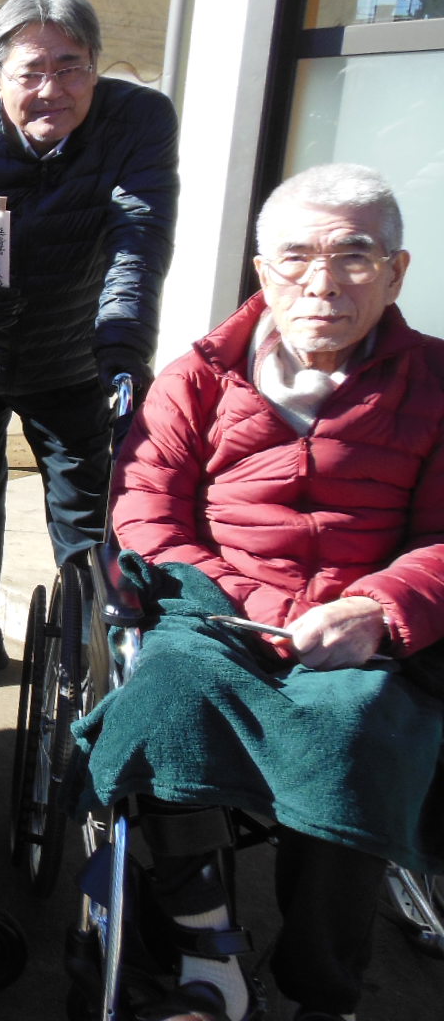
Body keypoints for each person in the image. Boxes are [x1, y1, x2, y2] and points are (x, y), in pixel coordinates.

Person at [75, 164, 444, 1021]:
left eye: (354, 255)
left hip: (364, 631)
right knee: (165, 698)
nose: (322, 282)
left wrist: (376, 610)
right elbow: (144, 509)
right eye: (296, 257)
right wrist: (249, 603)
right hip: (215, 613)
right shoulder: (198, 376)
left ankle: (325, 991)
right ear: (263, 271)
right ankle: (209, 954)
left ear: (396, 272)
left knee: (357, 731)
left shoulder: (435, 382)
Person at [0, 0, 178, 669]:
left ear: (97, 66)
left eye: (71, 67)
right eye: (31, 72)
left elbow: (137, 238)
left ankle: (86, 657)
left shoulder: (137, 121)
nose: (52, 89)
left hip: (74, 354)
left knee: (85, 513)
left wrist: (123, 348)